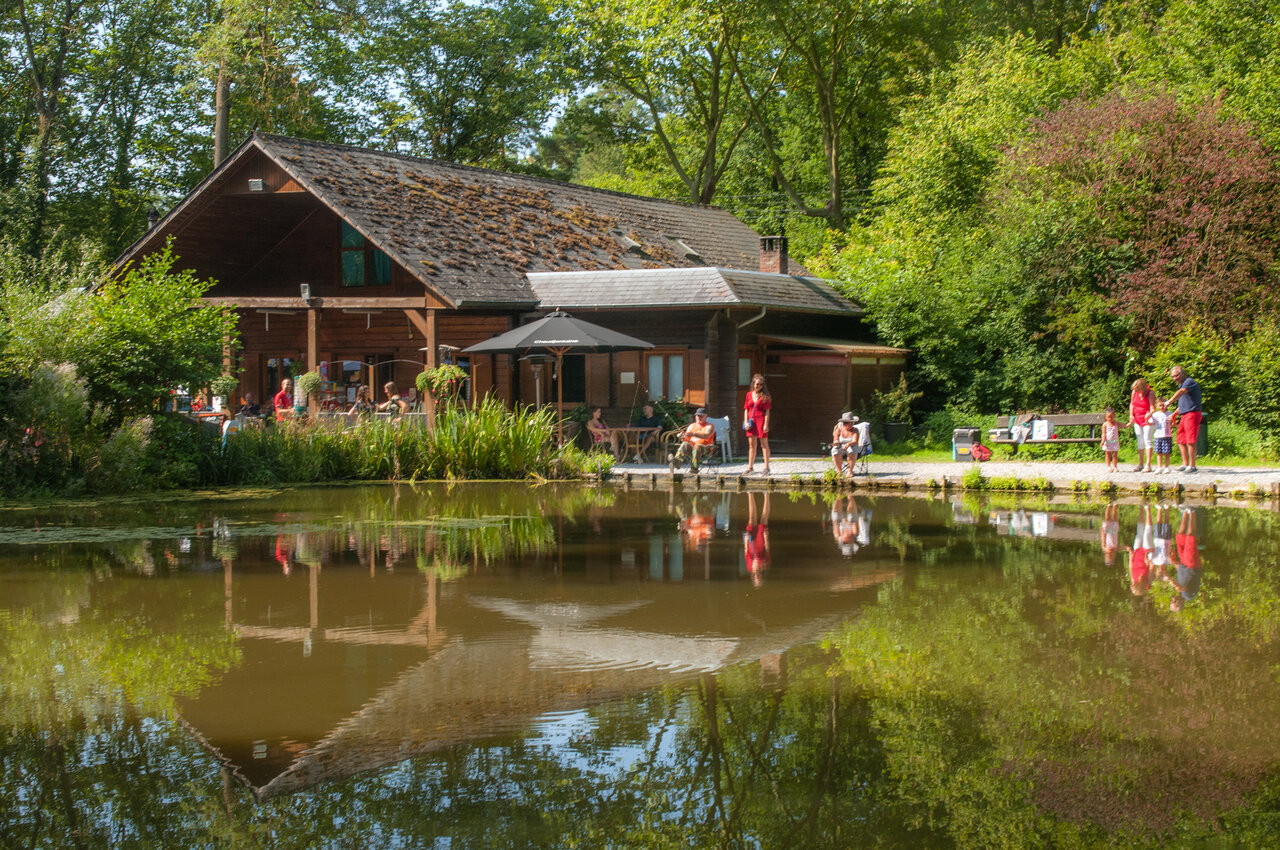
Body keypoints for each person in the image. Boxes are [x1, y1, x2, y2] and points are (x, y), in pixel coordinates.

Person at [1162, 506, 1202, 611]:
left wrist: (1173, 562)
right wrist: (1169, 579)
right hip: (1192, 565)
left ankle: (1184, 512)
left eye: (1172, 601)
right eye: (1174, 602)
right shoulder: (1188, 596)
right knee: (1190, 537)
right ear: (1180, 604)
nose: (1173, 599)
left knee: (1180, 536)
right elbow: (1181, 587)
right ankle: (1192, 511)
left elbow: (1181, 571)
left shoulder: (1181, 593)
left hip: (1184, 563)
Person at [1166, 365, 1203, 473]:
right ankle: (1185, 464)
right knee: (1180, 439)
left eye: (1176, 376)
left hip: (1192, 414)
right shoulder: (1181, 385)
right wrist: (1174, 414)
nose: (1174, 379)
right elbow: (1183, 403)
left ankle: (1192, 466)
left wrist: (1169, 401)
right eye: (1172, 377)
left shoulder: (1188, 382)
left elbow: (1181, 392)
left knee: (1190, 440)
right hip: (1184, 414)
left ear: (1182, 374)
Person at [743, 373, 772, 475]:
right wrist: (746, 421)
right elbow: (746, 409)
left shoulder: (765, 396)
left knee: (764, 444)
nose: (759, 386)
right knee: (751, 445)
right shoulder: (748, 394)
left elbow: (767, 411)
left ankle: (766, 468)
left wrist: (766, 424)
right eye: (757, 384)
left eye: (761, 384)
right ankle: (750, 467)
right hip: (751, 422)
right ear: (753, 384)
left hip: (761, 421)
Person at [671, 408, 716, 473]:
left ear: (706, 416)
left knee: (697, 446)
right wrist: (682, 437)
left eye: (701, 416)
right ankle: (678, 462)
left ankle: (694, 469)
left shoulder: (709, 426)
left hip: (706, 449)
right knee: (685, 444)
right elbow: (685, 440)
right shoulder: (691, 426)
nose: (699, 417)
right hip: (692, 448)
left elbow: (707, 436)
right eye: (697, 416)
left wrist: (693, 434)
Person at [742, 491, 771, 586]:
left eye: (756, 579)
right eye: (759, 579)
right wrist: (766, 537)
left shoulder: (749, 567)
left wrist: (746, 539)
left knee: (751, 518)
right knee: (764, 519)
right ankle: (766, 494)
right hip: (760, 542)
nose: (758, 577)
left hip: (751, 543)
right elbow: (767, 549)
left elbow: (746, 552)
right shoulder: (765, 566)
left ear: (753, 578)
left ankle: (750, 494)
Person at [1127, 378, 1155, 472]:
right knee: (1140, 441)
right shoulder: (1134, 392)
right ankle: (1140, 464)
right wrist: (1131, 414)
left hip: (1147, 419)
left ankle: (1148, 464)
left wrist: (1148, 416)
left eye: (1138, 389)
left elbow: (1153, 408)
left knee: (1147, 440)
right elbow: (1132, 404)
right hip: (1137, 418)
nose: (1137, 391)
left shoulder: (1150, 393)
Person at [1125, 505, 1154, 596]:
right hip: (1147, 552)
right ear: (1139, 585)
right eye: (1134, 585)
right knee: (1146, 534)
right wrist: (1147, 559)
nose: (1133, 583)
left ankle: (1141, 508)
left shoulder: (1134, 579)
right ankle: (1148, 510)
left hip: (1136, 552)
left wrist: (1130, 557)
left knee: (1139, 532)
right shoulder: (1149, 580)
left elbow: (1131, 567)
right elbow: (1152, 566)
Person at [830, 412, 861, 477]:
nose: (845, 424)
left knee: (851, 450)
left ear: (852, 423)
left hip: (852, 445)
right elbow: (835, 439)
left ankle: (850, 471)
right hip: (841, 446)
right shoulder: (839, 429)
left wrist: (848, 444)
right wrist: (836, 442)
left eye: (847, 423)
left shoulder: (855, 430)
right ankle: (839, 471)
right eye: (844, 423)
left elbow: (855, 441)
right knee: (835, 450)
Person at [1150, 398, 1174, 474]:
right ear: (1157, 406)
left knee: (1167, 452)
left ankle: (1167, 467)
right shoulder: (1155, 414)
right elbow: (1150, 423)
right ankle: (1159, 467)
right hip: (1158, 435)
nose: (1162, 407)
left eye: (1163, 405)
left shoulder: (1170, 413)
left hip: (1167, 435)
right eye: (1160, 405)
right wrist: (1147, 417)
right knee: (1159, 452)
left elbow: (1173, 425)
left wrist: (1173, 420)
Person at [1100, 408, 1120, 472]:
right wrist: (1103, 441)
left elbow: (1124, 426)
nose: (1110, 418)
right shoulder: (1105, 424)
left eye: (1111, 416)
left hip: (1115, 442)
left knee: (1115, 455)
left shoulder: (1116, 423)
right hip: (1107, 442)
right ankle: (1108, 466)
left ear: (1114, 416)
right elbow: (1103, 433)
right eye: (1108, 417)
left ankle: (1115, 466)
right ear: (1106, 417)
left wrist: (1130, 423)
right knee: (1107, 454)